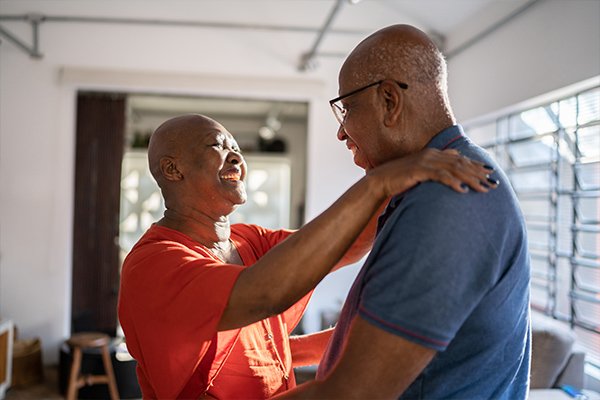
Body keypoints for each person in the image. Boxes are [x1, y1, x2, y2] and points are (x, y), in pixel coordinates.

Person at [117, 113, 494, 399]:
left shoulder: (247, 239)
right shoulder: (154, 263)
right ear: (172, 169)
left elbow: (337, 246)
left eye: (235, 147)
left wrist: (348, 337)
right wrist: (378, 182)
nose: (235, 156)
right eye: (217, 146)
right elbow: (264, 294)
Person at [276, 24, 531, 399]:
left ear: (390, 102)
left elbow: (351, 394)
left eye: (346, 109)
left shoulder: (446, 201)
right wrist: (279, 351)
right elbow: (391, 333)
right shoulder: (431, 183)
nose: (341, 133)